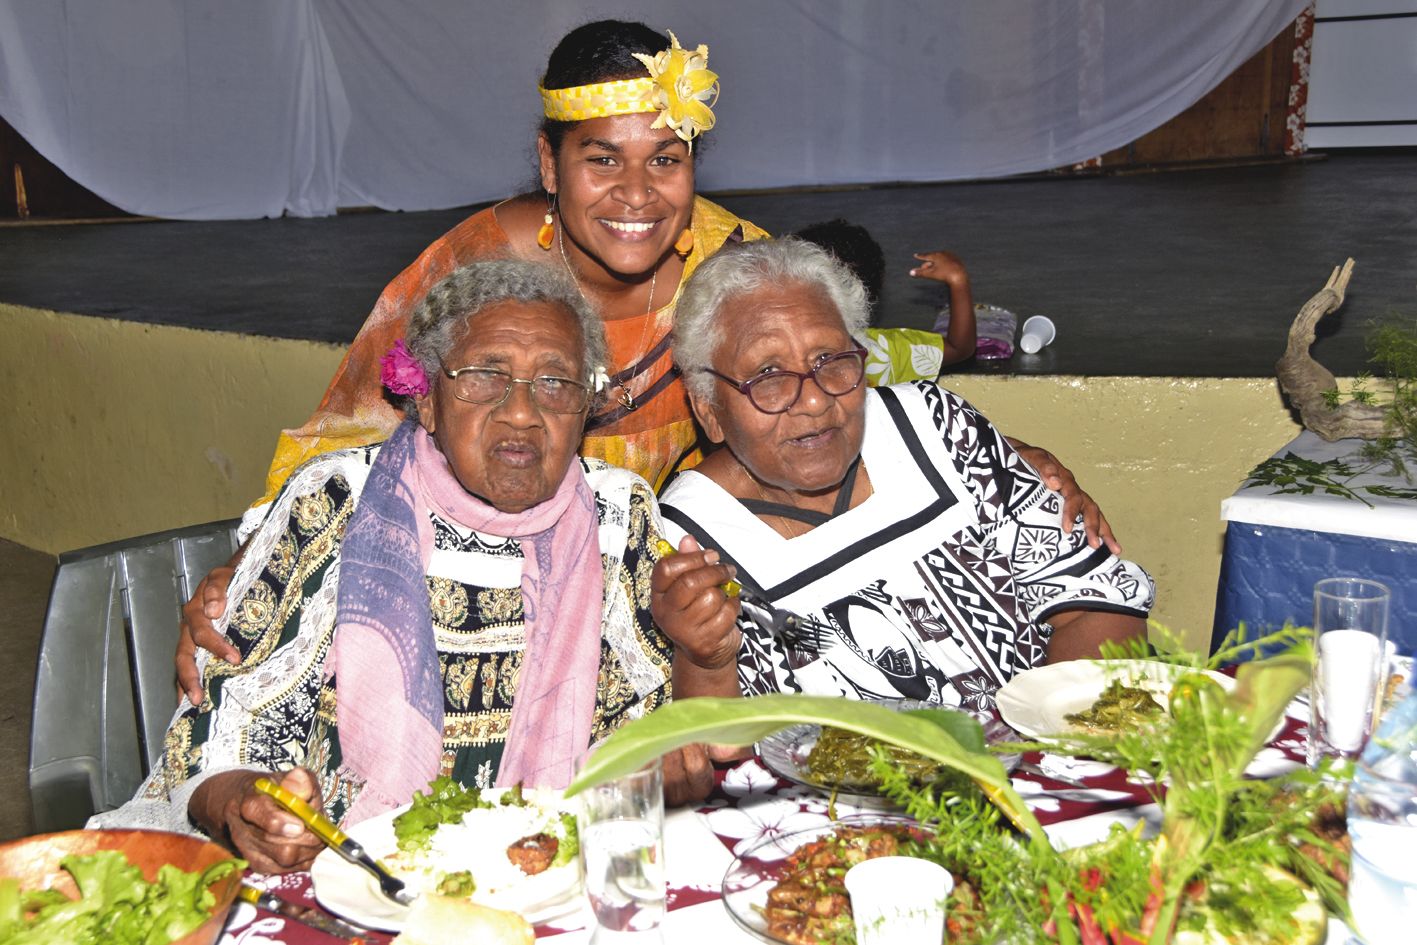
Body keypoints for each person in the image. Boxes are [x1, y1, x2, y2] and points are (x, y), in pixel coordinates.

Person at [174, 20, 1112, 703]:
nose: (636, 194)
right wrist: (249, 573)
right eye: (601, 160)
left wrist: (1009, 453)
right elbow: (336, 443)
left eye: (665, 159)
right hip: (464, 580)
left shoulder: (730, 256)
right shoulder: (471, 274)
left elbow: (817, 369)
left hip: (645, 597)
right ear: (549, 166)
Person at [95, 261, 714, 872]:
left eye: (556, 383)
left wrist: (674, 721)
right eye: (483, 375)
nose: (523, 411)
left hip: (551, 868)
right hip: (340, 866)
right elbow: (221, 716)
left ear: (586, 406)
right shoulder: (337, 500)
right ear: (426, 399)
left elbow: (662, 726)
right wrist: (248, 805)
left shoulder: (617, 515)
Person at [652, 239, 1154, 709]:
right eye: (768, 375)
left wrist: (1046, 753)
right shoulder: (685, 545)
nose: (813, 398)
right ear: (710, 411)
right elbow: (718, 749)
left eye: (831, 359)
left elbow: (1095, 602)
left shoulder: (936, 427)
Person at [793, 218, 976, 382]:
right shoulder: (882, 352)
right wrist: (958, 280)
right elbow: (959, 347)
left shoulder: (774, 350)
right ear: (874, 288)